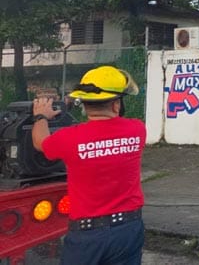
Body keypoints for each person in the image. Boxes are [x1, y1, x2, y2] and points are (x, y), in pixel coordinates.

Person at [32, 65, 146, 265]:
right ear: (116, 105)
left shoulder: (69, 138)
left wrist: (40, 116)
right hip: (128, 229)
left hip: (87, 235)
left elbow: (39, 142)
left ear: (84, 105)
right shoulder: (137, 130)